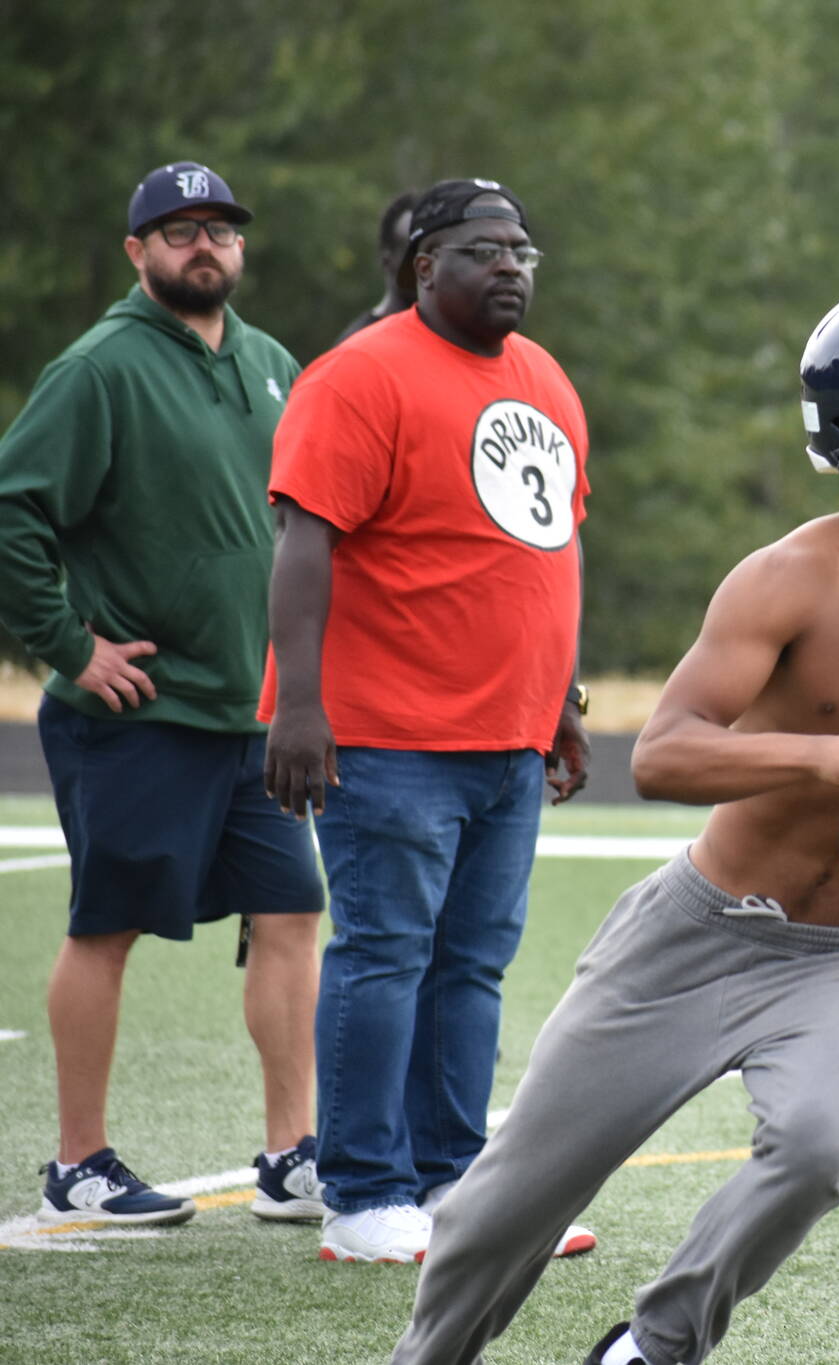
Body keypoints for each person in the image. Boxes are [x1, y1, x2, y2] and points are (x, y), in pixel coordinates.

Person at [388, 278, 839, 1365]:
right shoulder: (786, 580)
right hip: (694, 932)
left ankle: (653, 1348)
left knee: (813, 1151)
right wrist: (827, 755)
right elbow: (661, 756)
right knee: (503, 1207)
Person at [262, 177, 595, 1265]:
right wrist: (300, 707)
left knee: (471, 966)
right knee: (386, 957)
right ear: (424, 267)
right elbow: (304, 541)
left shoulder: (544, 378)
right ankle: (363, 1194)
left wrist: (562, 700)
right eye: (486, 250)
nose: (512, 266)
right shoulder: (359, 375)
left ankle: (458, 1182)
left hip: (505, 735)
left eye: (524, 251)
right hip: (388, 733)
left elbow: (545, 553)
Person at [0, 160, 326, 1229]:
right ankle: (78, 1165)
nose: (204, 246)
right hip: (135, 715)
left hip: (251, 722)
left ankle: (292, 1156)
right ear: (137, 251)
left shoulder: (273, 363)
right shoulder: (98, 369)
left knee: (291, 914)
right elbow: (13, 514)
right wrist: (69, 646)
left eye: (220, 230)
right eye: (178, 231)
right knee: (109, 928)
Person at [333, 189, 419, 347]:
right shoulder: (357, 342)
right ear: (387, 260)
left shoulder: (449, 338)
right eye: (413, 251)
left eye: (432, 250)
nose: (425, 263)